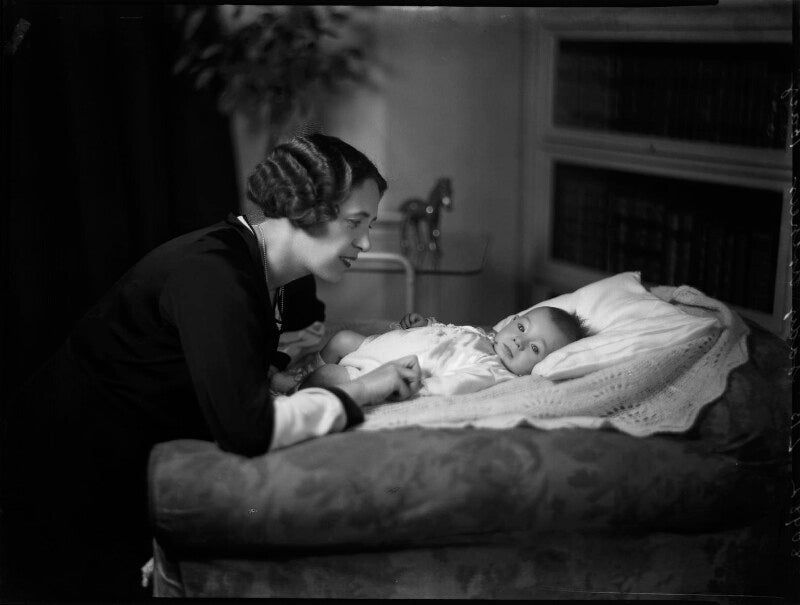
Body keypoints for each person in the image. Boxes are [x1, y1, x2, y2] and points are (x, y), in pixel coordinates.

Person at [0, 134, 422, 601]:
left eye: (370, 225)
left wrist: (278, 378)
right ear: (304, 207)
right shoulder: (214, 271)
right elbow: (247, 429)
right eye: (355, 222)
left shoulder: (273, 275)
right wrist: (361, 391)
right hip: (59, 473)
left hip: (120, 466)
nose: (365, 242)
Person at [292, 306, 589, 398]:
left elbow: (455, 385)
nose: (519, 342)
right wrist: (425, 325)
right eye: (522, 328)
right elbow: (449, 331)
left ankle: (295, 393)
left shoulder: (491, 369)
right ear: (512, 321)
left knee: (328, 375)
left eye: (534, 348)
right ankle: (298, 375)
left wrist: (420, 387)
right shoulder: (483, 335)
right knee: (341, 339)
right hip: (376, 346)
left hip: (379, 370)